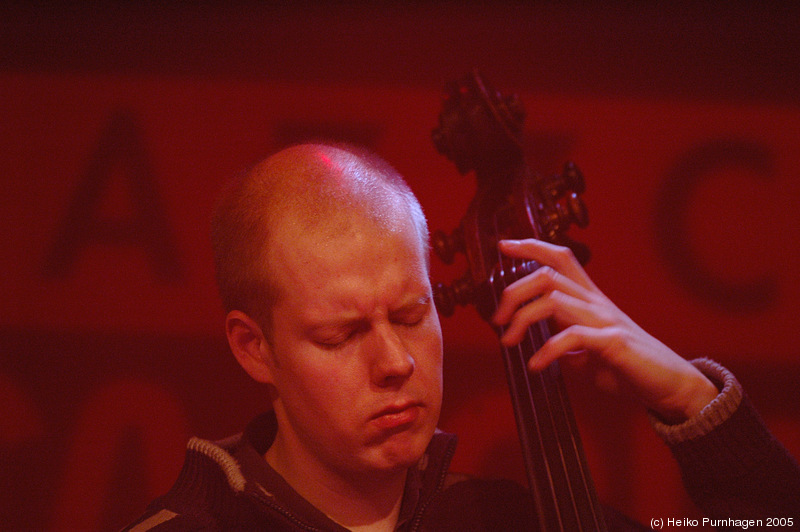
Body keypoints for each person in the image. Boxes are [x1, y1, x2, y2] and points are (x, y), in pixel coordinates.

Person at [125, 143, 799, 531]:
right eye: (342, 334)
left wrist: (687, 395)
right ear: (253, 347)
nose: (395, 362)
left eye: (414, 315)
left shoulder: (505, 521)